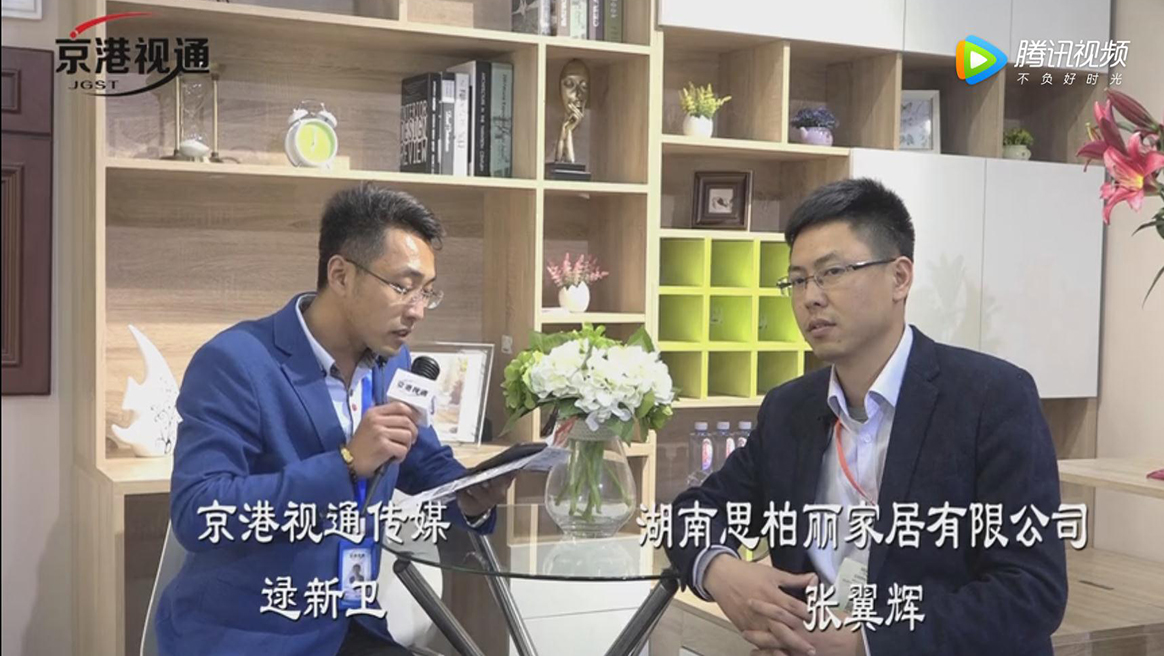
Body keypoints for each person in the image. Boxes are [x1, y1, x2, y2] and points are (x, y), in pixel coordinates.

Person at [666, 178, 1067, 655]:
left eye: (832, 272)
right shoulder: (790, 409)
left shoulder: (991, 398)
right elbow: (690, 514)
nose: (810, 297)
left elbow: (1029, 591)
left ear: (900, 278)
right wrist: (719, 569)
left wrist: (866, 643)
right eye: (797, 280)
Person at [156, 183, 511, 656]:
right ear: (341, 275)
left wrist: (470, 495)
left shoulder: (393, 363)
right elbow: (199, 513)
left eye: (427, 292)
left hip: (350, 623)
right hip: (252, 632)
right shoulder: (236, 362)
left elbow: (421, 462)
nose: (418, 311)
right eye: (403, 287)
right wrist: (345, 463)